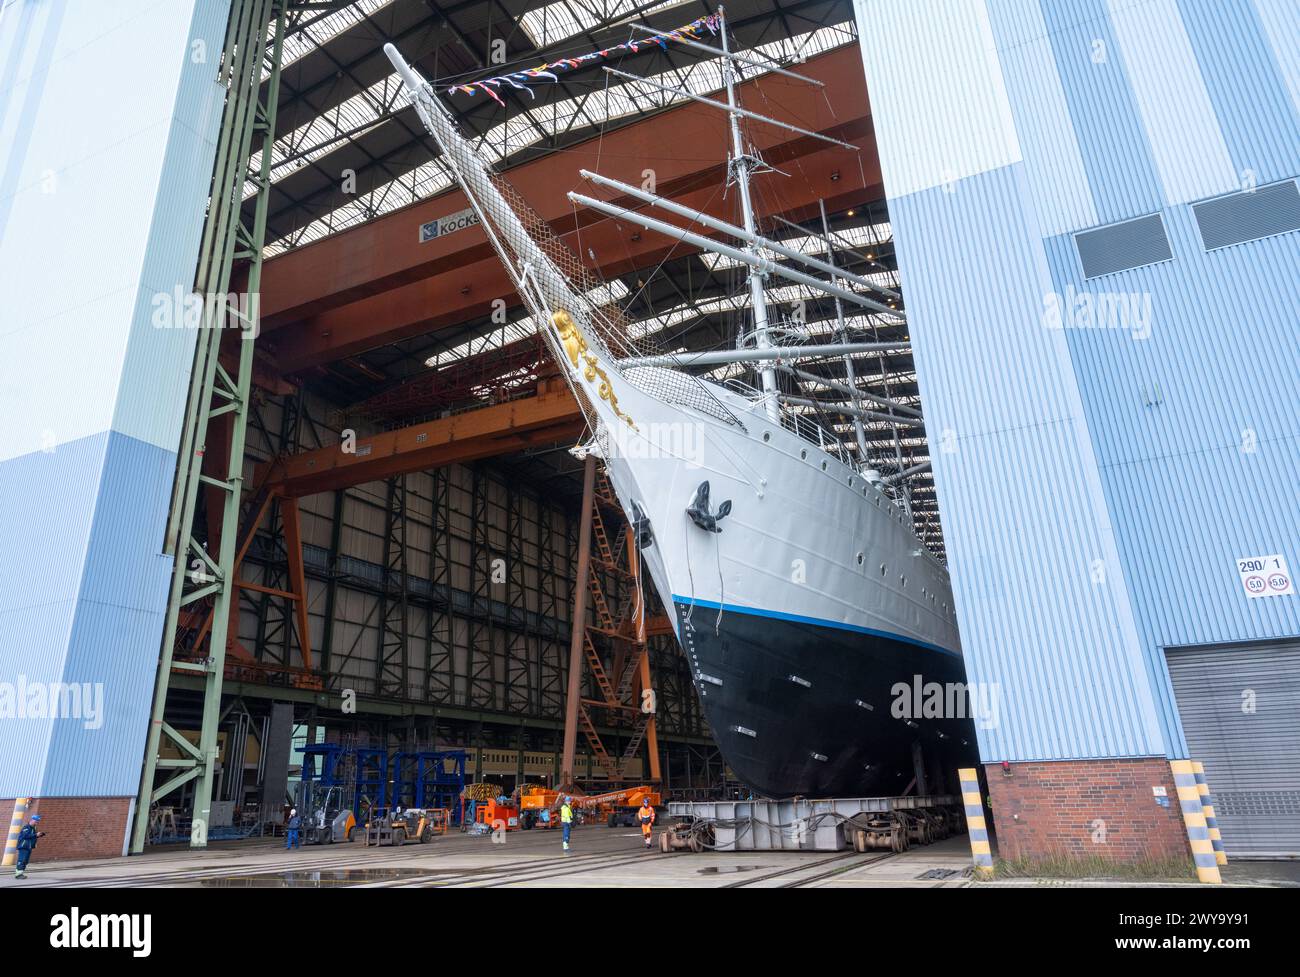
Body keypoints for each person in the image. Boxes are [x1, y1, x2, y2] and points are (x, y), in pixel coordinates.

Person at [14, 814, 46, 879]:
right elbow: (25, 836)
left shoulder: (33, 828)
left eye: (37, 821)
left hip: (29, 847)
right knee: (22, 860)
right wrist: (35, 834)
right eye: (35, 820)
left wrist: (39, 835)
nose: (36, 822)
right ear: (31, 820)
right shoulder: (26, 827)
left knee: (25, 861)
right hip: (24, 846)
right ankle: (18, 875)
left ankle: (21, 873)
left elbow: (32, 836)